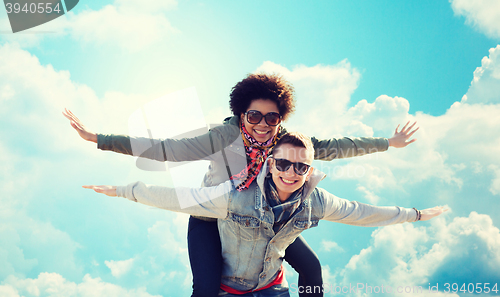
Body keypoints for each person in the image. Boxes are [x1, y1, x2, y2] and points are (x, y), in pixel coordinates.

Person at [64, 73, 418, 297]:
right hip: (213, 215)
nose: (263, 125)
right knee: (205, 288)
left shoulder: (287, 143)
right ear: (240, 114)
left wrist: (388, 142)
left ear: (281, 118)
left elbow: (338, 146)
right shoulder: (224, 136)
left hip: (260, 216)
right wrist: (98, 138)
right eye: (254, 116)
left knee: (311, 268)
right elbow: (164, 150)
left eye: (272, 117)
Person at [84, 132, 447, 297]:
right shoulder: (229, 160)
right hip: (217, 223)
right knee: (205, 287)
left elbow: (362, 212)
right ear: (270, 163)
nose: (291, 172)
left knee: (311, 266)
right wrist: (122, 189)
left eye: (300, 168)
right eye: (284, 164)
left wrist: (414, 213)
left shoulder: (312, 190)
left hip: (271, 285)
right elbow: (178, 195)